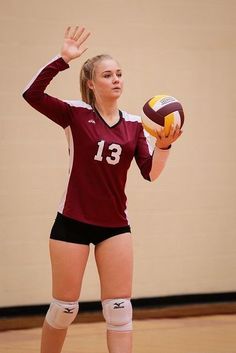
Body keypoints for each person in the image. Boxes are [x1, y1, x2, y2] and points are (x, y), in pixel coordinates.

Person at [22, 26, 182, 353]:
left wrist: (164, 146)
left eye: (119, 74)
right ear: (91, 84)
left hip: (114, 226)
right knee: (65, 309)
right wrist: (62, 59)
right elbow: (31, 95)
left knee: (120, 309)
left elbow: (150, 173)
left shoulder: (136, 124)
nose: (116, 79)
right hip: (72, 222)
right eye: (108, 75)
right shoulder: (74, 114)